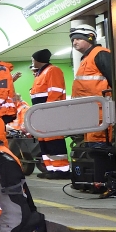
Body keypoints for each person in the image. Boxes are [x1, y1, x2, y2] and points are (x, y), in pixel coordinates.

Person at [69, 20, 115, 144]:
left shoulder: (100, 54)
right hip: (90, 113)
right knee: (93, 148)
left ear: (90, 37)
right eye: (73, 40)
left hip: (101, 113)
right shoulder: (86, 58)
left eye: (78, 39)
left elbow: (114, 80)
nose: (74, 42)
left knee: (100, 148)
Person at [29, 49, 70, 178]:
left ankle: (62, 170)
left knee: (54, 141)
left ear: (38, 60)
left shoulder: (52, 70)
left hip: (50, 112)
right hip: (41, 113)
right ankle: (51, 169)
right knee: (44, 141)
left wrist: (48, 109)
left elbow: (55, 92)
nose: (32, 62)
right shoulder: (40, 74)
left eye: (33, 59)